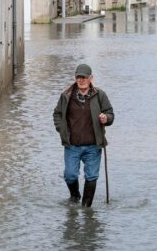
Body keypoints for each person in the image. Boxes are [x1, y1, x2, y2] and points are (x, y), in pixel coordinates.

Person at [53, 64, 114, 207]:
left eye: (84, 77)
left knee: (92, 176)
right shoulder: (66, 96)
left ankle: (86, 208)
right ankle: (75, 196)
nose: (81, 80)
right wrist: (61, 129)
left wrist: (106, 118)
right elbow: (57, 114)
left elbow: (110, 113)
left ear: (91, 78)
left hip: (93, 145)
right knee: (70, 175)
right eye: (78, 77)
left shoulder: (100, 95)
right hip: (72, 145)